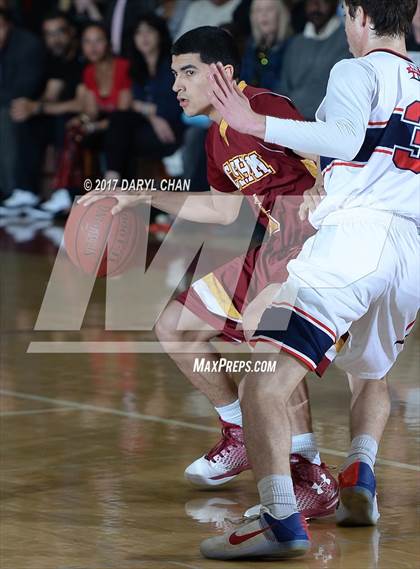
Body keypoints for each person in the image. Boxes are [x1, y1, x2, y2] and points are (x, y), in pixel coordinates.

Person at [79, 26, 340, 520]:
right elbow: (223, 211)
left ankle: (310, 472)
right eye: (174, 74)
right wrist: (142, 193)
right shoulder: (217, 139)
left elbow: (336, 151)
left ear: (222, 72)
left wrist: (324, 183)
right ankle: (241, 430)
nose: (177, 84)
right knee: (173, 327)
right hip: (274, 248)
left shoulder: (265, 106)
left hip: (317, 247)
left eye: (188, 72)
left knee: (264, 336)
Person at [199, 0, 419, 559]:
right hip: (410, 253)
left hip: (353, 243)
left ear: (360, 15)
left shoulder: (355, 68)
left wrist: (253, 123)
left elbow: (343, 140)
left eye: (348, 17)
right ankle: (360, 473)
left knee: (262, 384)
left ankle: (281, 520)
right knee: (371, 374)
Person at [5, 11, 84, 220]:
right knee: (29, 122)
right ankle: (26, 191)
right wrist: (31, 108)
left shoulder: (84, 57)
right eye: (49, 34)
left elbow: (81, 104)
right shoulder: (54, 59)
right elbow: (51, 96)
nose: (55, 39)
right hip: (61, 117)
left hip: (89, 121)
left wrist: (38, 108)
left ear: (72, 32)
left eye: (59, 32)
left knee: (64, 122)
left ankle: (66, 193)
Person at [52, 23, 132, 198]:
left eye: (98, 41)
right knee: (71, 127)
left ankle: (111, 181)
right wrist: (82, 120)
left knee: (118, 124)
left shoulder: (123, 67)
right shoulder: (89, 71)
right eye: (87, 42)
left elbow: (123, 112)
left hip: (124, 124)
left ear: (108, 43)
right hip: (104, 125)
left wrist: (93, 127)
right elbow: (91, 112)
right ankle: (67, 193)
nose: (93, 47)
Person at [104, 14, 184, 183]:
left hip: (172, 129)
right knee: (120, 121)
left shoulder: (174, 64)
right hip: (151, 126)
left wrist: (144, 108)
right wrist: (153, 116)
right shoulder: (136, 68)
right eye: (139, 33)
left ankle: (114, 184)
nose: (144, 37)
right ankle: (117, 184)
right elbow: (133, 104)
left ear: (160, 34)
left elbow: (174, 107)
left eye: (149, 31)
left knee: (123, 137)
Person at [0, 8, 45, 209]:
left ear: (9, 25)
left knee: (8, 116)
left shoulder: (28, 44)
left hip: (29, 105)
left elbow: (25, 88)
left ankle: (10, 191)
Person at [277, 0, 351, 119]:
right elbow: (283, 88)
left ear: (335, 3)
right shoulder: (296, 43)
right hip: (290, 122)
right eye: (310, 2)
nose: (315, 6)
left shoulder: (347, 41)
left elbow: (338, 95)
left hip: (324, 124)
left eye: (322, 1)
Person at [241, 0, 290, 91]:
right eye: (259, 10)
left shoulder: (291, 46)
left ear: (280, 14)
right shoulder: (251, 46)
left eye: (269, 9)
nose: (264, 14)